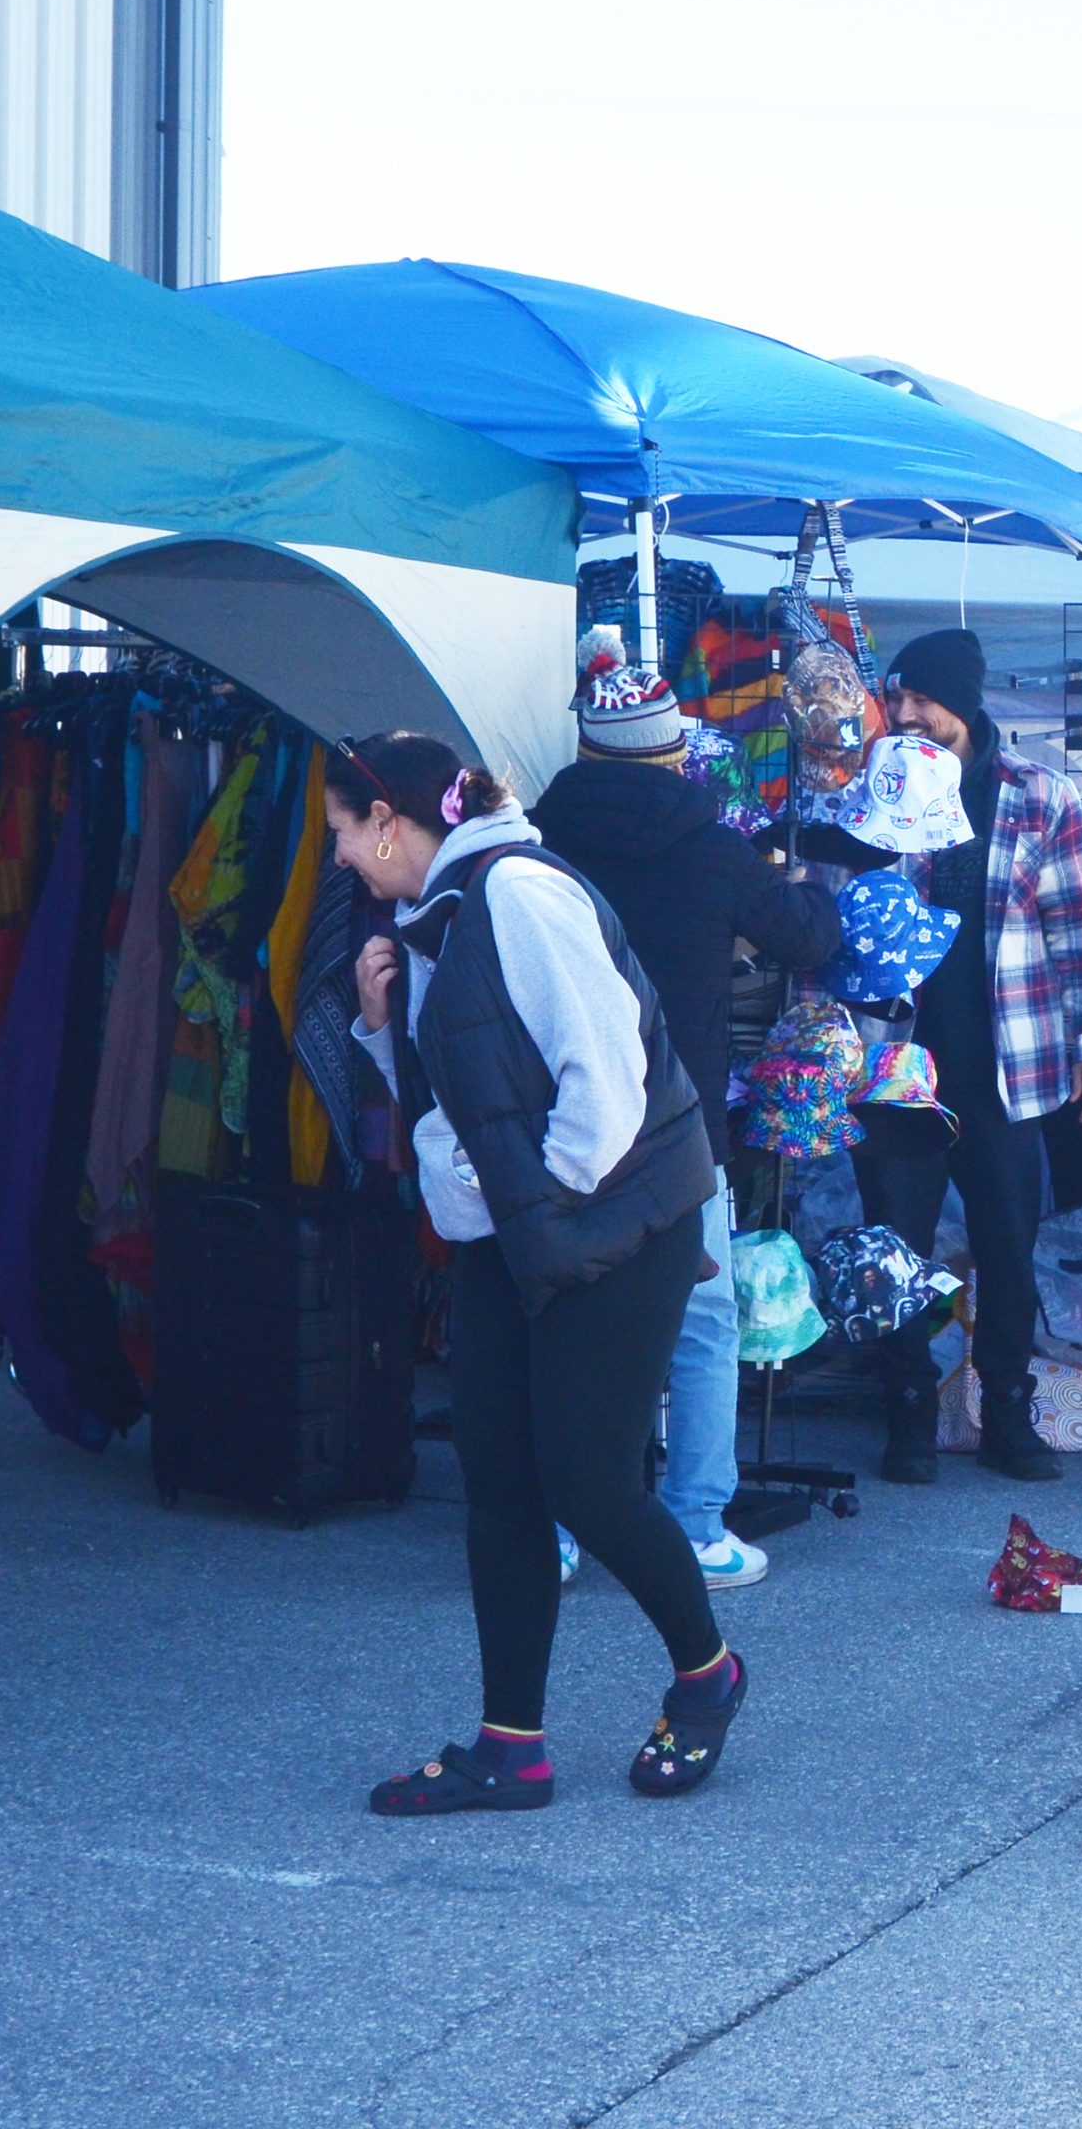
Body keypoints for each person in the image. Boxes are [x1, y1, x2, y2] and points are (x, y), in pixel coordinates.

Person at [329, 733, 749, 1813]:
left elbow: (604, 1081)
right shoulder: (443, 912)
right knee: (503, 1484)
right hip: (518, 1234)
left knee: (589, 1483)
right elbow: (460, 1107)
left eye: (342, 832)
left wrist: (545, 1200)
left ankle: (707, 1675)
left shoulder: (517, 892)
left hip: (613, 1223)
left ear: (388, 822)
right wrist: (379, 1032)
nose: (339, 859)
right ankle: (509, 1745)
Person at [535, 634, 843, 1591]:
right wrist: (811, 887)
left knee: (562, 1323)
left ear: (587, 750)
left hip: (561, 1121)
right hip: (679, 1126)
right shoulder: (714, 852)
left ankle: (555, 1526)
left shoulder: (537, 844)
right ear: (676, 751)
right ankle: (697, 1526)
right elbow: (806, 938)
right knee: (701, 1325)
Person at [868, 628, 1082, 1487]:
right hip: (897, 1067)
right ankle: (905, 1416)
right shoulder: (880, 787)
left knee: (1007, 1247)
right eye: (898, 699)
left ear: (965, 704)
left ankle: (1008, 1415)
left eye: (923, 700)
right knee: (894, 1251)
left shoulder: (1038, 794)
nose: (907, 715)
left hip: (1009, 1066)